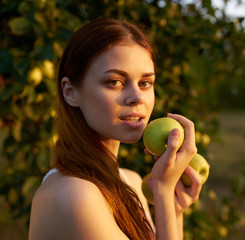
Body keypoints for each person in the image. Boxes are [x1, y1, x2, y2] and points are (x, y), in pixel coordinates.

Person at [28, 18, 202, 240]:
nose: (137, 97)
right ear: (71, 92)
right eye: (114, 82)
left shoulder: (130, 181)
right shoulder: (73, 195)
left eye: (145, 83)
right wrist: (164, 193)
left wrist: (174, 210)